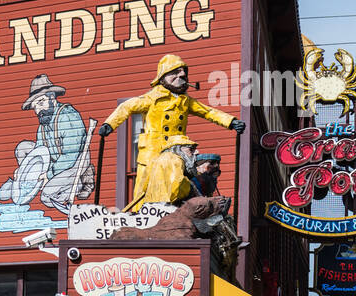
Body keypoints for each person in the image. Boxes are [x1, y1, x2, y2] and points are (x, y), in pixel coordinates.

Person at [98, 54, 246, 212]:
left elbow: (208, 112)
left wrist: (230, 121)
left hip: (176, 151)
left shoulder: (185, 100)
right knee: (143, 188)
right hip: (152, 152)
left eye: (183, 72)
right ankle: (139, 217)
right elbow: (126, 107)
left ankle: (172, 212)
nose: (182, 75)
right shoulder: (152, 98)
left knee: (176, 182)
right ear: (163, 76)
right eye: (175, 72)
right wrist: (110, 124)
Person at [126, 136, 199, 209]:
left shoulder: (154, 160)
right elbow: (176, 187)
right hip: (168, 206)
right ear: (179, 149)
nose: (195, 153)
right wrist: (189, 187)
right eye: (191, 149)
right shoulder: (176, 160)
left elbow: (143, 187)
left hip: (151, 207)